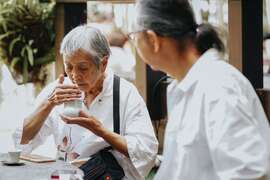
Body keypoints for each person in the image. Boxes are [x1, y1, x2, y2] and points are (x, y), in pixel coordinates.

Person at [129, 0, 270, 179]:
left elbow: (248, 173)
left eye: (134, 38)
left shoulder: (217, 86)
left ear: (152, 39)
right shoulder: (182, 88)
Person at [14, 25, 158, 180]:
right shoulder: (59, 90)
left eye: (82, 68)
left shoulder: (124, 93)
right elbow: (21, 140)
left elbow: (146, 151)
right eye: (68, 67)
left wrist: (100, 130)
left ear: (103, 64)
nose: (75, 76)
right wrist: (48, 104)